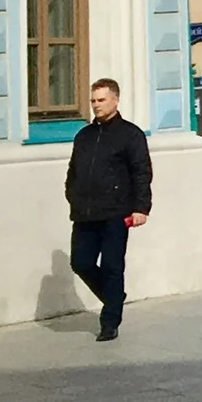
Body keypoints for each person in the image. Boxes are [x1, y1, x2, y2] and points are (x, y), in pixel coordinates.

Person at [65, 78, 151, 342]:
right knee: (80, 262)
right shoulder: (84, 136)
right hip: (85, 213)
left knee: (113, 267)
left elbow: (141, 172)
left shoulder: (130, 134)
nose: (96, 105)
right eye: (93, 100)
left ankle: (109, 322)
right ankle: (115, 297)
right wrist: (73, 196)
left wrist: (141, 207)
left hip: (117, 212)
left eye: (101, 100)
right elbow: (73, 171)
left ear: (115, 100)